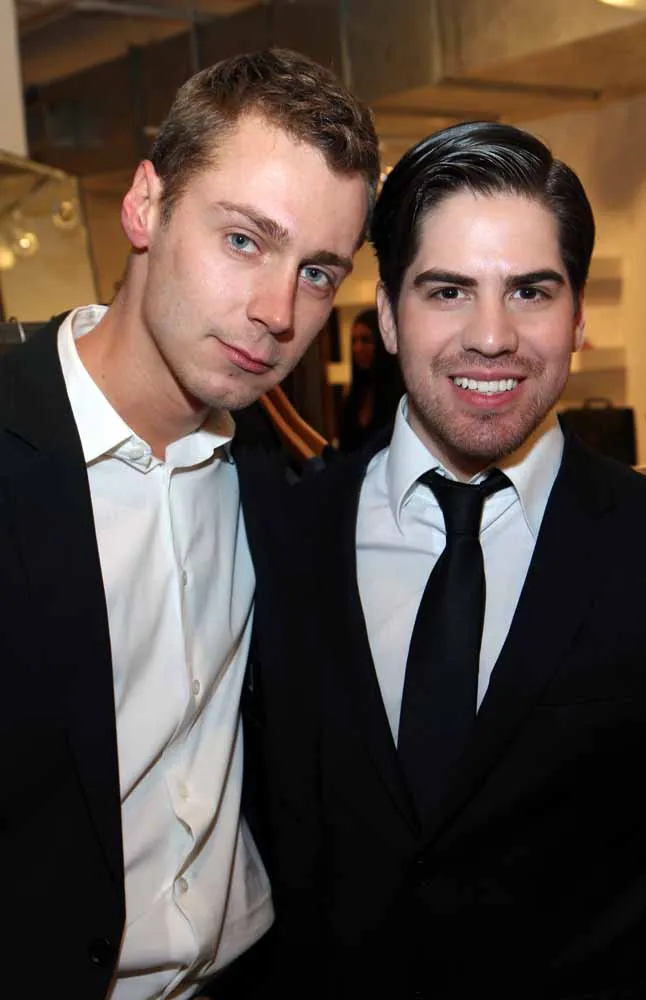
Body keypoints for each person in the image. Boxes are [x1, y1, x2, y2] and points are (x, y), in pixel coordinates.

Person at [251, 121, 646, 998]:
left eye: (529, 292)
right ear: (387, 316)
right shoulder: (276, 538)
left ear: (577, 316)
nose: (490, 336)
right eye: (446, 291)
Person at [0, 48, 378, 1000]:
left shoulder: (282, 478)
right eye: (244, 240)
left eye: (317, 272)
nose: (276, 313)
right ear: (145, 206)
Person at [338, 307, 404, 452]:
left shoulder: (402, 398)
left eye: (365, 340)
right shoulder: (354, 397)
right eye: (354, 341)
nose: (357, 348)